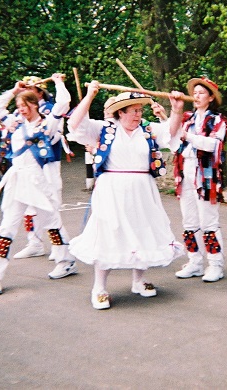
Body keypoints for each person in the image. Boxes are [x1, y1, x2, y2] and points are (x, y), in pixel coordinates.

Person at [67, 82, 184, 310]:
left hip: (143, 190)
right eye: (134, 111)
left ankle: (138, 281)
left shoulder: (147, 130)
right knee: (109, 234)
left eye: (140, 110)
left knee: (142, 232)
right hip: (112, 190)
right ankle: (99, 288)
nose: (138, 115)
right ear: (120, 113)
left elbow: (171, 132)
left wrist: (177, 109)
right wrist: (90, 95)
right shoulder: (104, 129)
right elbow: (75, 123)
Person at [0, 73, 76, 296]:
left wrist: (58, 81)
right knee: (7, 226)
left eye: (25, 104)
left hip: (38, 181)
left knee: (52, 223)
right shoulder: (15, 124)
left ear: (35, 104)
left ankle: (66, 261)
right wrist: (14, 91)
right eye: (19, 105)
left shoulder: (49, 123)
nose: (21, 109)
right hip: (17, 181)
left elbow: (64, 102)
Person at [169, 77, 227, 283]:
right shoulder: (187, 119)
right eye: (195, 93)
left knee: (208, 221)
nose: (196, 96)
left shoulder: (218, 121)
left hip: (206, 175)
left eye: (202, 93)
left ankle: (215, 265)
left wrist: (189, 136)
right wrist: (170, 114)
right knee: (189, 221)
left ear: (211, 98)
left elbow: (213, 145)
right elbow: (174, 142)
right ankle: (194, 262)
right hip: (186, 172)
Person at [11, 76, 73, 260]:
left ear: (39, 93)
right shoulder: (21, 113)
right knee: (29, 206)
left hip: (47, 163)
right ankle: (34, 243)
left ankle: (60, 248)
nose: (24, 93)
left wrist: (58, 82)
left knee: (50, 205)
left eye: (29, 90)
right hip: (26, 167)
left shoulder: (48, 110)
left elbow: (55, 135)